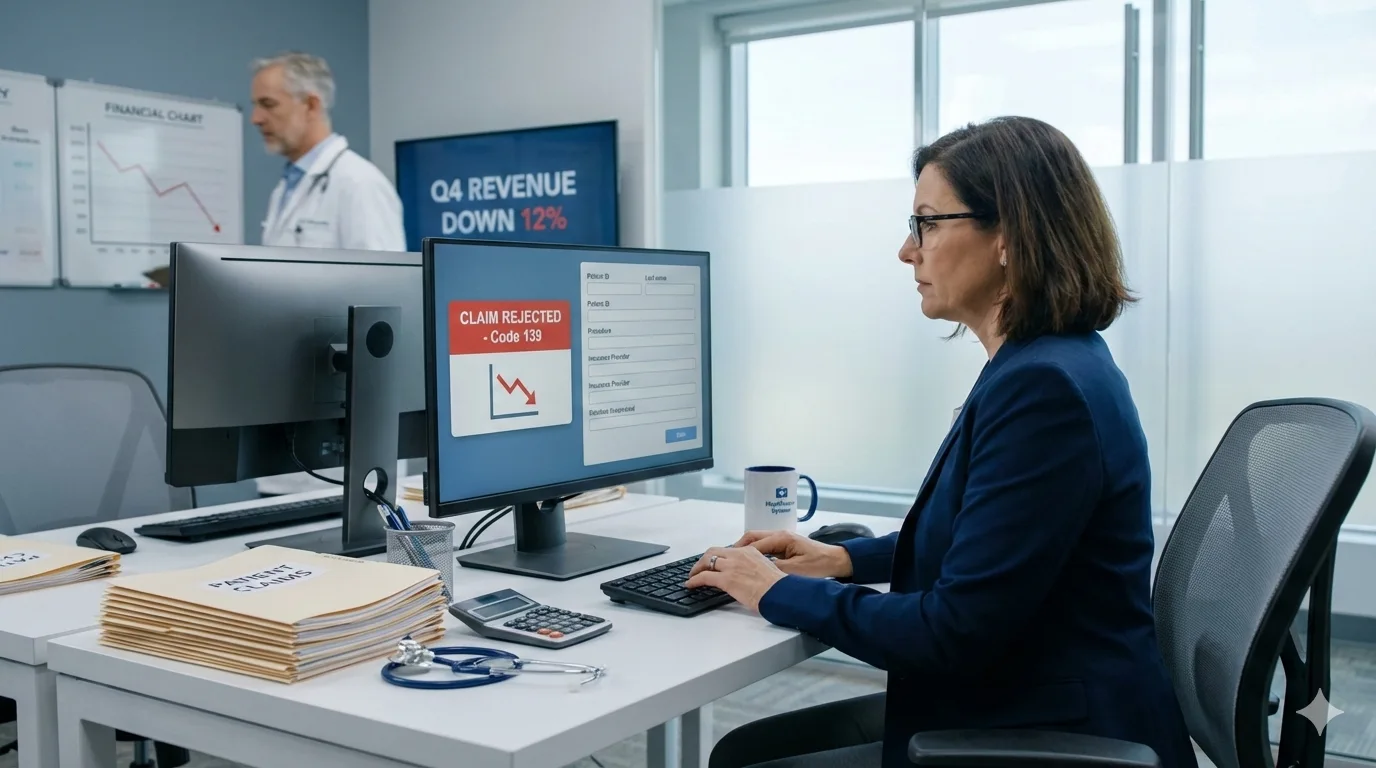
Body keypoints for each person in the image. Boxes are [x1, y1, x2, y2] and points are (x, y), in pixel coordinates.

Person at [685, 116, 1199, 768]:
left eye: (926, 223)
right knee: (743, 750)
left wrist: (773, 590)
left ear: (1008, 237)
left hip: (1051, 730)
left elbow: (951, 631)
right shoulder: (1049, 362)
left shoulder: (1045, 390)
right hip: (1025, 694)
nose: (908, 251)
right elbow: (990, 539)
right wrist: (841, 559)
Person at [249, 51, 409, 496]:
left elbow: (383, 306)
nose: (256, 118)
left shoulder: (358, 184)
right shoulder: (287, 188)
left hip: (343, 424)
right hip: (291, 408)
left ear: (311, 104)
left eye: (268, 104)